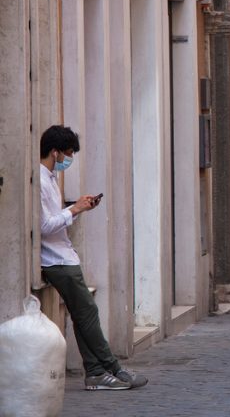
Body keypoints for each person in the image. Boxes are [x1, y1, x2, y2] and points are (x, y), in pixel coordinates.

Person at [38, 125, 148, 391]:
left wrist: (77, 209)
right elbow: (43, 226)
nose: (69, 159)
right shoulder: (40, 181)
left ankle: (96, 372)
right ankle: (112, 367)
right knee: (87, 312)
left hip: (64, 256)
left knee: (83, 313)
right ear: (54, 152)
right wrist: (73, 209)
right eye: (67, 153)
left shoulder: (51, 178)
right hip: (57, 260)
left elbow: (55, 218)